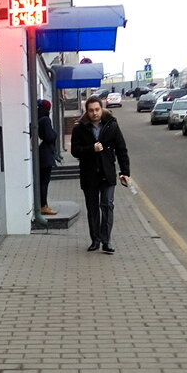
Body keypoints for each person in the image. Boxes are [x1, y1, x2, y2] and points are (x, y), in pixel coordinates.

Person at [70, 94, 131, 254]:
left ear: (101, 109)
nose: (94, 113)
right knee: (92, 209)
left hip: (107, 173)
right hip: (89, 175)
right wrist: (92, 149)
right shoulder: (79, 128)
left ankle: (106, 241)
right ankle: (95, 240)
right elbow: (75, 151)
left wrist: (125, 172)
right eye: (91, 110)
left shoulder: (111, 125)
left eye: (97, 109)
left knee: (107, 206)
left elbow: (121, 149)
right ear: (87, 111)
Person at [37, 99, 58, 216]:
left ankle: (42, 205)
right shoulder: (45, 120)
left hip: (41, 155)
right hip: (46, 156)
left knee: (42, 182)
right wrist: (55, 134)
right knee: (44, 182)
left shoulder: (37, 119)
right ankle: (43, 206)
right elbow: (50, 137)